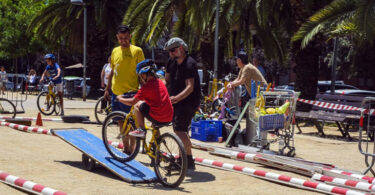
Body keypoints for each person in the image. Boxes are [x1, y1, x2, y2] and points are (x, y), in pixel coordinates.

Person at [104, 25, 145, 154]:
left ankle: (132, 150)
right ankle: (126, 147)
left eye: (126, 38)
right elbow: (111, 72)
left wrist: (145, 90)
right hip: (116, 93)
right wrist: (107, 89)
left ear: (130, 36)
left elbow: (142, 73)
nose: (123, 41)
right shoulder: (115, 51)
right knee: (121, 122)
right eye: (121, 38)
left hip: (131, 93)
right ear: (117, 37)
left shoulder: (137, 51)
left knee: (132, 123)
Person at [164, 37, 201, 170]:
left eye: (172, 51)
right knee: (179, 129)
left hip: (189, 101)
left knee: (180, 129)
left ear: (181, 49)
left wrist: (176, 98)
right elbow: (167, 80)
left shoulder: (189, 63)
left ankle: (187, 160)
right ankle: (186, 161)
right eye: (169, 51)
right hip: (176, 100)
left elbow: (190, 87)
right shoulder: (171, 62)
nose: (170, 54)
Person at [116, 59, 173, 138]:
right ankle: (156, 147)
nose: (141, 78)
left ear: (144, 74)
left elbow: (131, 102)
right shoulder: (160, 82)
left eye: (140, 76)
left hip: (159, 117)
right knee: (154, 125)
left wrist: (119, 98)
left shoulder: (146, 88)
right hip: (169, 116)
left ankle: (141, 130)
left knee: (137, 105)